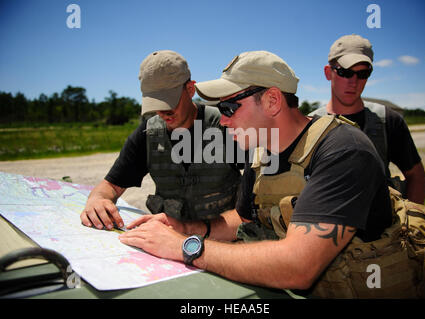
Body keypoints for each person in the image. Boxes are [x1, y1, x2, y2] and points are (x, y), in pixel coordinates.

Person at [118, 50, 394, 293]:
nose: (223, 121)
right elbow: (243, 218)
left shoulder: (344, 150)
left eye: (229, 107)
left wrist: (185, 246)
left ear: (273, 100)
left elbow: (297, 268)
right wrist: (186, 228)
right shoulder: (262, 153)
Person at [80, 50, 242, 230]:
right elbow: (110, 185)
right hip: (168, 245)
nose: (162, 112)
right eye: (156, 104)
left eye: (168, 101)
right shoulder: (148, 133)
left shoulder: (227, 126)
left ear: (190, 89)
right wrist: (98, 199)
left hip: (223, 241)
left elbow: (257, 198)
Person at [309, 34, 425, 204]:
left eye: (363, 74)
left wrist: (413, 220)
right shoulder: (311, 123)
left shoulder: (387, 120)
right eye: (345, 72)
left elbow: (415, 175)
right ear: (329, 73)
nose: (353, 82)